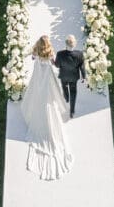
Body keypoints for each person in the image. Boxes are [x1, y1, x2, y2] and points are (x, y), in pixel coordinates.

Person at [20, 35, 73, 181]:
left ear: (39, 43)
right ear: (48, 43)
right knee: (50, 99)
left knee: (36, 93)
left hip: (38, 77)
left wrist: (35, 55)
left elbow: (32, 58)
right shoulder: (50, 53)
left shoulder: (36, 51)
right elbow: (55, 64)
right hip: (47, 78)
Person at [54, 35, 85, 119]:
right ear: (74, 44)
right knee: (73, 92)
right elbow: (82, 66)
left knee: (64, 87)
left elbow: (57, 65)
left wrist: (53, 61)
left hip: (64, 76)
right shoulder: (79, 54)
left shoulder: (60, 54)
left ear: (65, 44)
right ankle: (72, 111)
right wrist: (83, 76)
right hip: (74, 77)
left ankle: (66, 97)